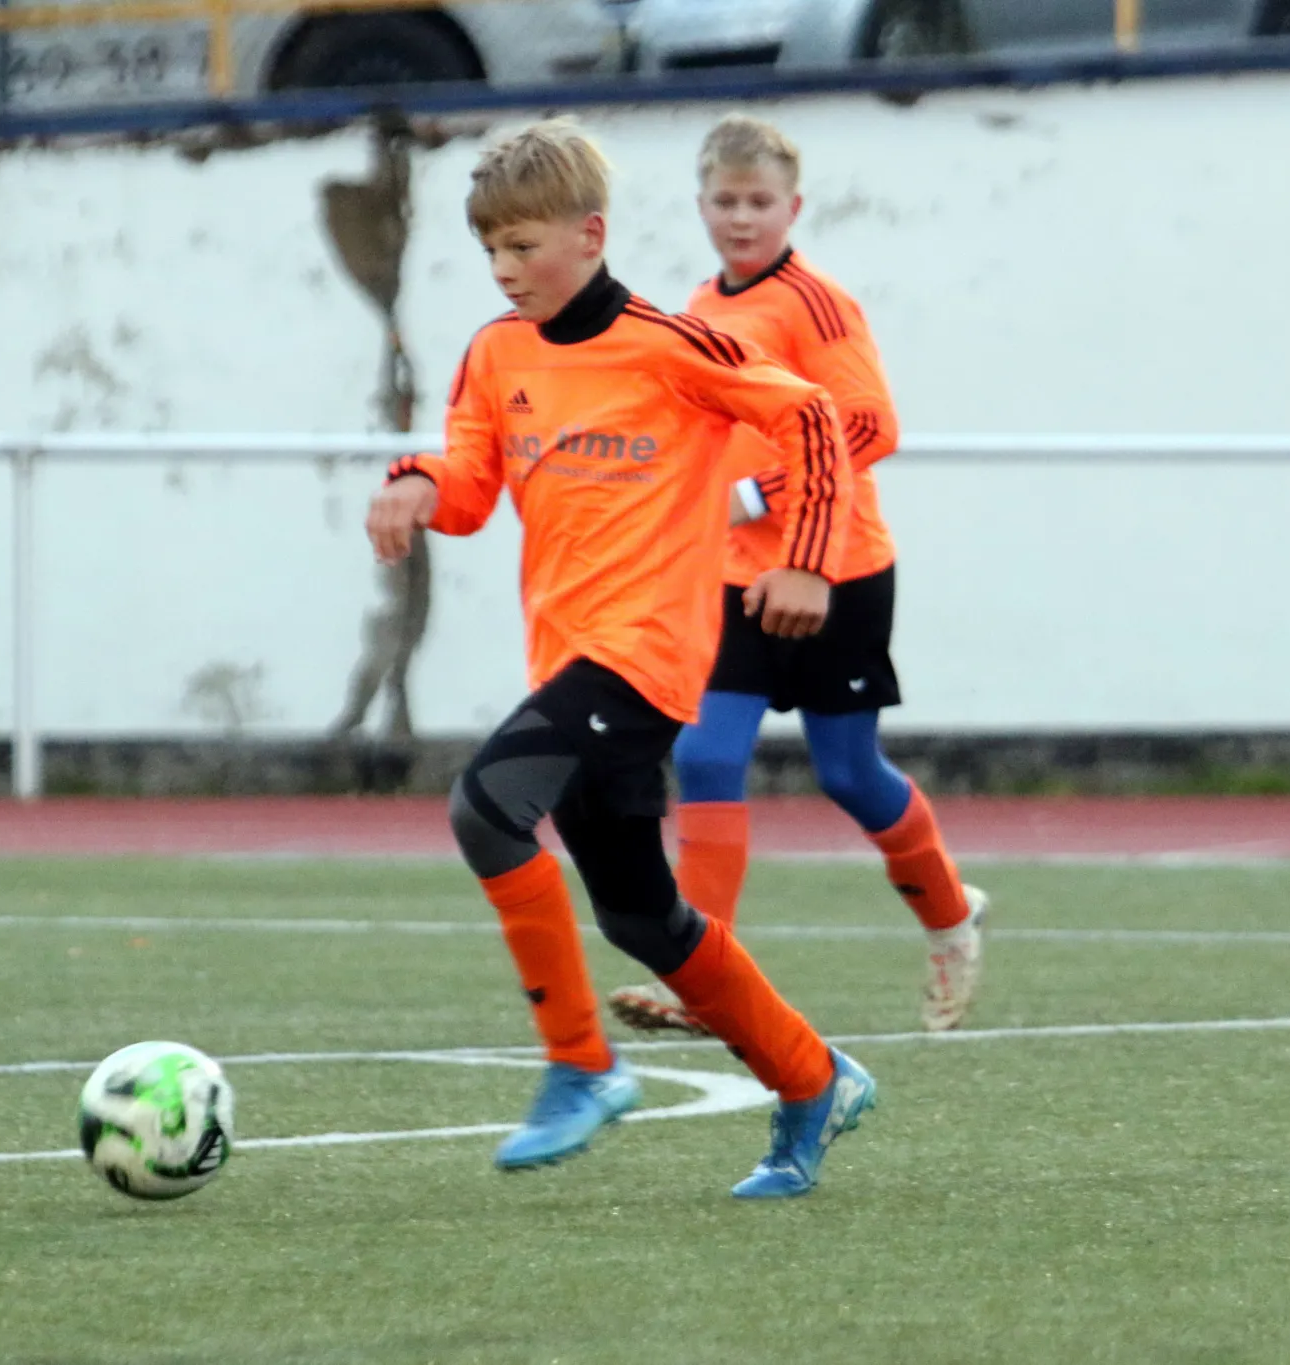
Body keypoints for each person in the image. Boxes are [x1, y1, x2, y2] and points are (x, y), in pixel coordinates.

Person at [364, 119, 874, 1199]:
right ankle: (811, 1076)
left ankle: (582, 1065)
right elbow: (471, 482)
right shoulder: (496, 354)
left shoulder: (671, 345)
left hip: (646, 654)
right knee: (643, 916)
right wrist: (416, 483)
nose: (504, 270)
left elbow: (814, 417)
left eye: (523, 246)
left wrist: (807, 560)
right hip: (567, 660)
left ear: (589, 235)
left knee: (484, 810)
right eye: (489, 249)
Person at [609, 115, 986, 1040]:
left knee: (849, 773)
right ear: (700, 205)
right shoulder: (697, 306)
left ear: (794, 207)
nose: (741, 218)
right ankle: (705, 977)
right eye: (725, 201)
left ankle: (951, 917)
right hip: (734, 577)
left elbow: (870, 425)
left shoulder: (816, 304)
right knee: (704, 757)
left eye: (759, 201)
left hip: (838, 569)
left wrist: (757, 493)